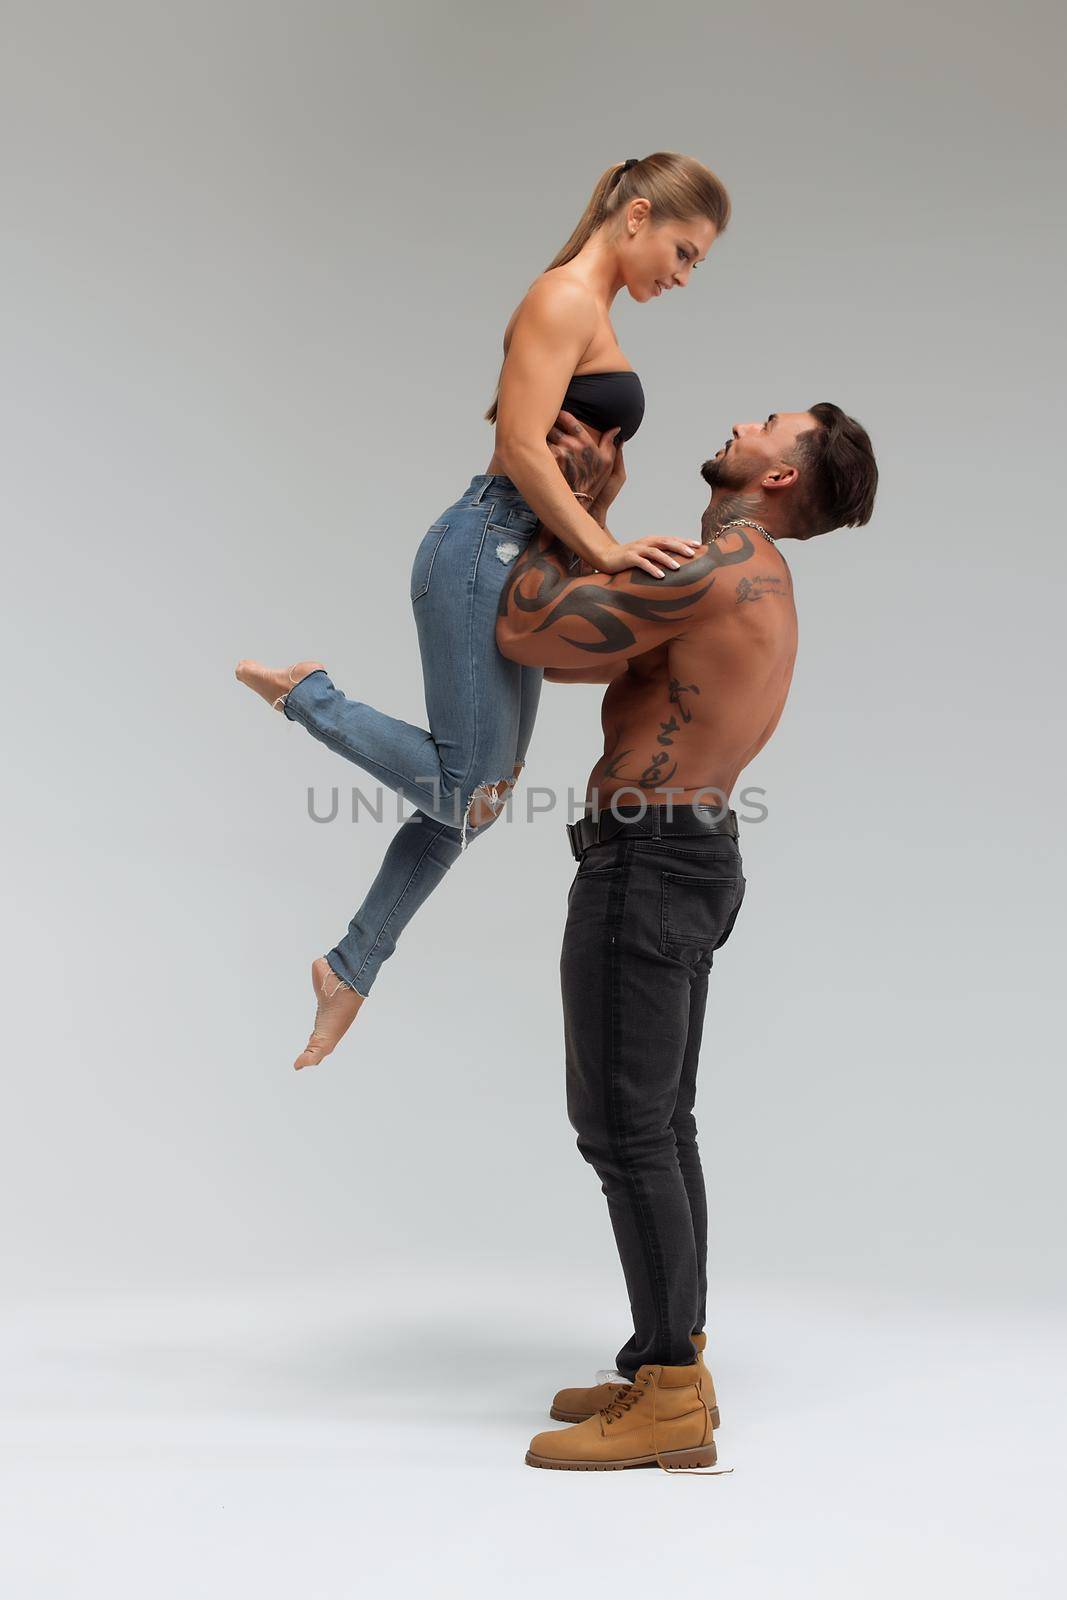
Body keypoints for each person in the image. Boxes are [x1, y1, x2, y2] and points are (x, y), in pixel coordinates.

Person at [234, 152, 730, 1070]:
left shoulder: (592, 310)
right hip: (482, 552)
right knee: (471, 789)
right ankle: (309, 695)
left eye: (697, 262)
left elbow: (560, 461)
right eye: (684, 249)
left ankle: (348, 968)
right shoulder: (561, 298)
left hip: (519, 558)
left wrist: (602, 510)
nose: (683, 273)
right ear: (636, 214)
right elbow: (516, 446)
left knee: (473, 804)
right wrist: (606, 550)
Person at [495, 402, 879, 1471]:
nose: (739, 421)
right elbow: (575, 663)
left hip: (647, 862)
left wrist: (562, 500)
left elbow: (522, 633)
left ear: (779, 478)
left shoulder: (714, 571)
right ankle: (670, 1357)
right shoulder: (722, 577)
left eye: (767, 423)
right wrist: (599, 531)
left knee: (622, 1130)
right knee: (660, 1123)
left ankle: (668, 1397)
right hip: (684, 856)